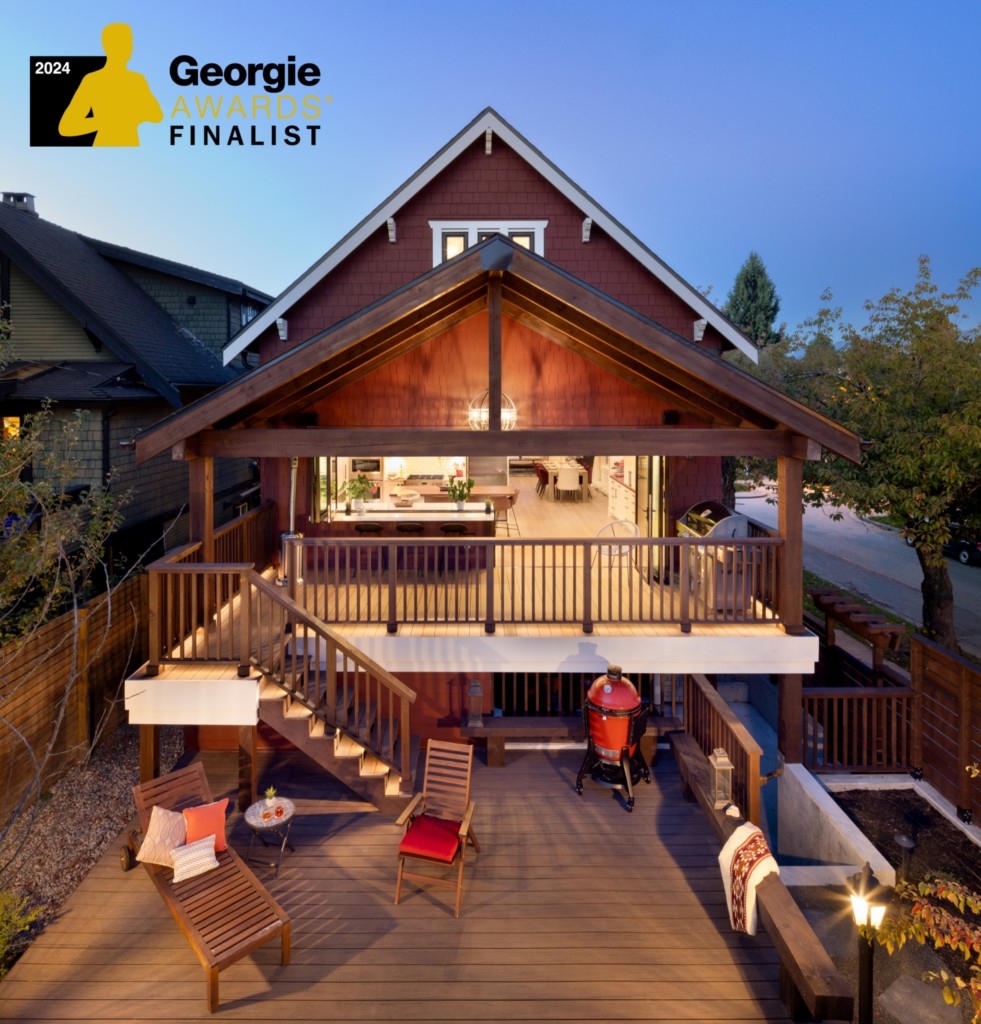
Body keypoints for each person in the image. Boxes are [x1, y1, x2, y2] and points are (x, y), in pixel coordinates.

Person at [58, 23, 162, 147]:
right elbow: (66, 126)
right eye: (122, 42)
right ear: (107, 45)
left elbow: (157, 115)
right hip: (104, 150)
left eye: (130, 41)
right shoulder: (93, 80)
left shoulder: (137, 80)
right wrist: (110, 119)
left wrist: (132, 116)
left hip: (132, 149)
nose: (129, 47)